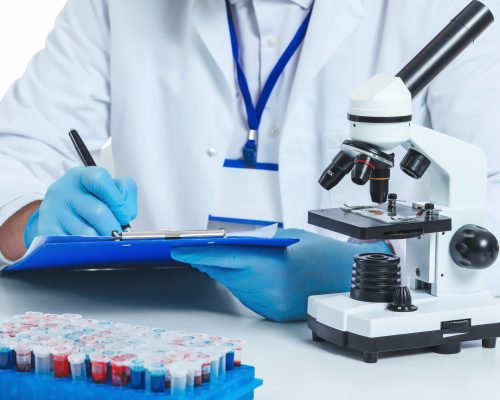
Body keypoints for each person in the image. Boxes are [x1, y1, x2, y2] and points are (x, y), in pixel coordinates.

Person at [0, 0, 499, 322]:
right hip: (165, 337)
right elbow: (14, 152)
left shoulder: (439, 10)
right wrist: (35, 220)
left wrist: (371, 274)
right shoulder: (114, 8)